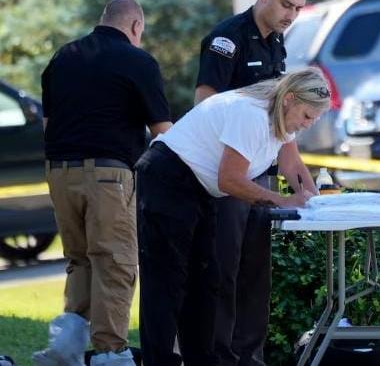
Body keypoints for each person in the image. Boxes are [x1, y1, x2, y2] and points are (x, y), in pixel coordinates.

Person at [137, 68, 329, 366]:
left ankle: (202, 360)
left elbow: (292, 166)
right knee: (167, 281)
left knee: (206, 281)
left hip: (200, 188)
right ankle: (159, 361)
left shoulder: (283, 116)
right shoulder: (251, 115)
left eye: (314, 120)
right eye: (306, 116)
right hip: (168, 177)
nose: (307, 125)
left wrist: (317, 205)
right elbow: (230, 180)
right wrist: (283, 200)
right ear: (290, 99)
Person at [35, 0, 172, 366]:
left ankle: (66, 347)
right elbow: (162, 131)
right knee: (115, 261)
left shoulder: (64, 56)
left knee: (79, 259)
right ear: (135, 27)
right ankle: (111, 353)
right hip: (109, 175)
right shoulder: (137, 60)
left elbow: (49, 125)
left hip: (59, 172)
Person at [193, 0, 313, 366]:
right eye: (285, 4)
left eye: (297, 8)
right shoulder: (227, 39)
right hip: (227, 174)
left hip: (261, 170)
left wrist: (304, 189)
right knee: (224, 270)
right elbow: (204, 103)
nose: (291, 15)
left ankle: (251, 357)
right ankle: (220, 356)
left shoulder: (276, 43)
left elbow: (283, 124)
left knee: (256, 272)